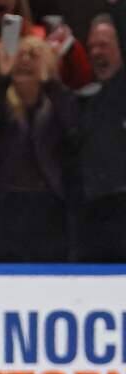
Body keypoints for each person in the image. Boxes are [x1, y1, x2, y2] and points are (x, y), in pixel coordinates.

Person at [0, 34, 79, 262]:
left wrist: (49, 81)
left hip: (49, 209)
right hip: (5, 209)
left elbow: (74, 132)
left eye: (34, 55)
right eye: (19, 55)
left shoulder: (62, 99)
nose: (25, 60)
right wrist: (2, 77)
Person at [75, 9, 126, 262]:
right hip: (96, 213)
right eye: (91, 46)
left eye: (104, 45)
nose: (96, 52)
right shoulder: (86, 100)